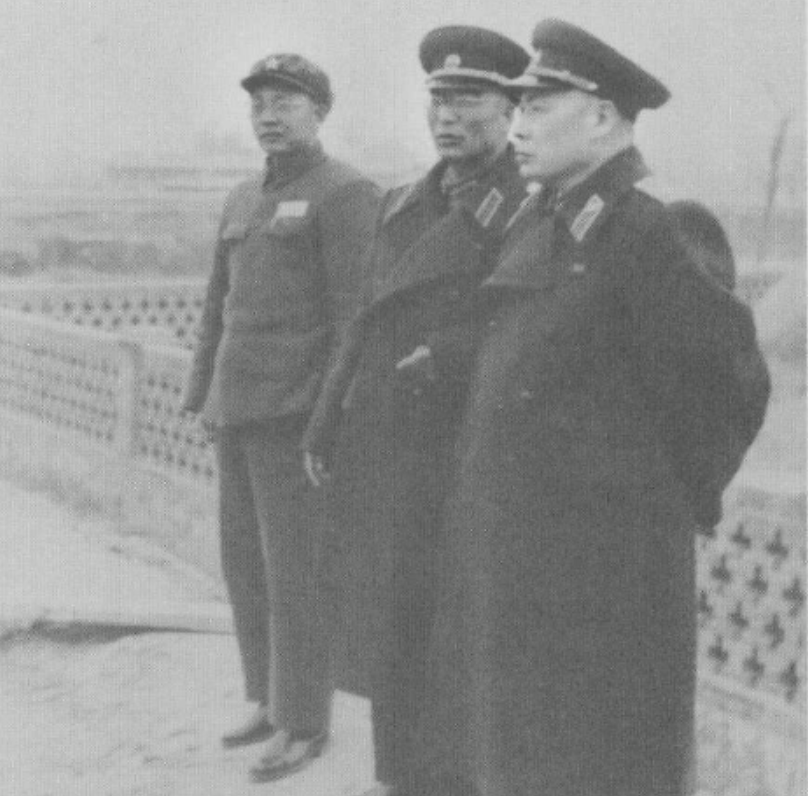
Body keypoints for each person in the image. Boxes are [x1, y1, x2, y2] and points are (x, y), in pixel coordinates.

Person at [407, 19, 771, 796]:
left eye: (539, 107)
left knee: (601, 762)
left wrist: (647, 511)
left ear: (603, 116)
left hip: (603, 575)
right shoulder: (547, 213)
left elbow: (726, 387)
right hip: (515, 557)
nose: (520, 126)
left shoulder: (656, 225)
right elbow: (545, 341)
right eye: (520, 108)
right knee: (520, 757)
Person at [301, 26, 529, 796]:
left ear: (510, 111)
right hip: (388, 452)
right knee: (390, 625)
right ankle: (398, 778)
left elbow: (531, 328)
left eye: (470, 100)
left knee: (459, 637)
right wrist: (327, 416)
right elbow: (364, 320)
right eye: (439, 100)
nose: (449, 116)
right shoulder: (403, 203)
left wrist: (450, 353)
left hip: (467, 455)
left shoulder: (529, 207)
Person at [180, 53, 380, 782]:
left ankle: (305, 722)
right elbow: (218, 307)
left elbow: (354, 319)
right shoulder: (242, 197)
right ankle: (267, 700)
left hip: (295, 416)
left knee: (298, 573)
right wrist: (202, 394)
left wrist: (327, 423)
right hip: (238, 411)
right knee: (246, 565)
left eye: (285, 103)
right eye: (259, 104)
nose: (268, 116)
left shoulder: (346, 193)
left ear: (319, 112)